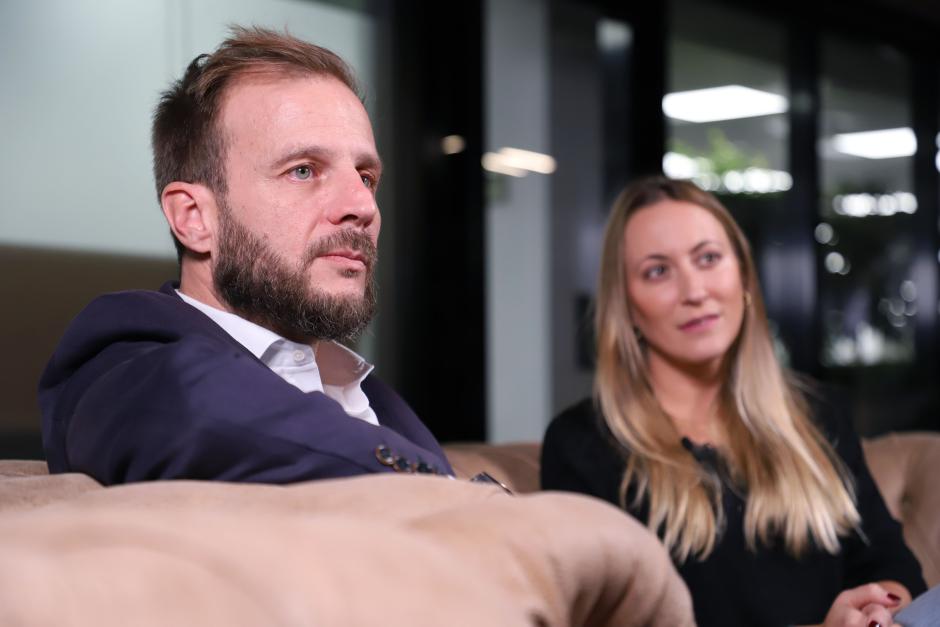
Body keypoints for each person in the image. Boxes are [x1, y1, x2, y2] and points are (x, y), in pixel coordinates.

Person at [39, 27, 452, 484]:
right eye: (303, 170)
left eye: (366, 176)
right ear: (194, 218)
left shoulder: (365, 392)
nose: (363, 206)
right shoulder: (128, 366)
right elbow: (196, 412)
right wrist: (449, 495)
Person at [541, 176, 927, 627]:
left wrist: (879, 608)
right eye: (658, 271)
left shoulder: (818, 413)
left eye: (708, 259)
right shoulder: (582, 444)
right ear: (627, 308)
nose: (694, 291)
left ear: (743, 275)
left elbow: (886, 560)